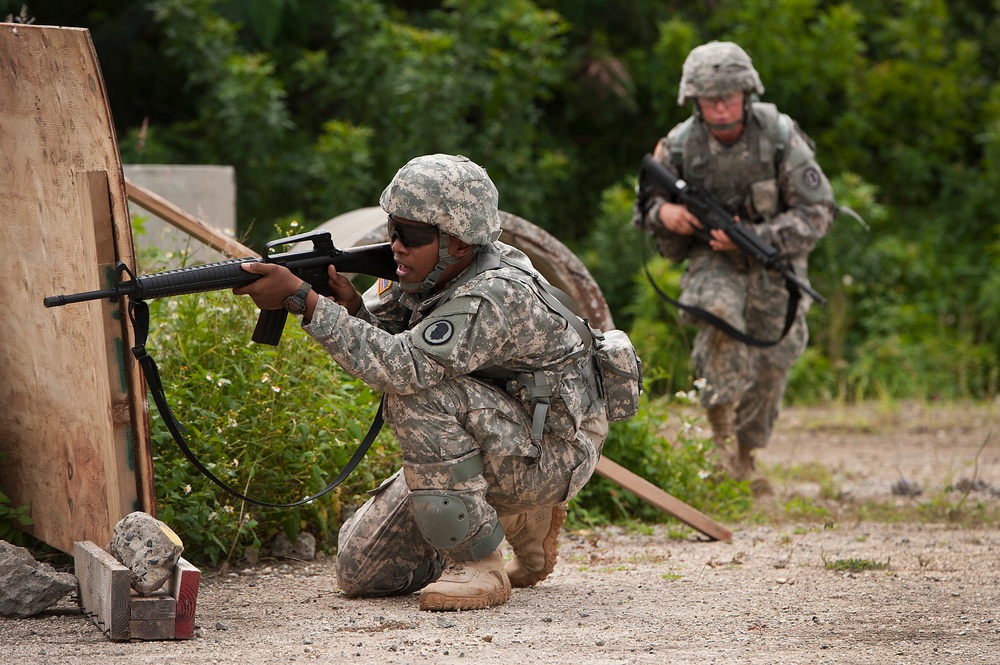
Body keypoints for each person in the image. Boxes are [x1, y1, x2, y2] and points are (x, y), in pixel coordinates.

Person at [234, 153, 608, 611]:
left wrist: (305, 301)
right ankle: (518, 516)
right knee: (364, 572)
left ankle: (479, 563)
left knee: (418, 393)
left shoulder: (495, 293)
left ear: (461, 243)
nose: (395, 246)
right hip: (504, 432)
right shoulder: (427, 274)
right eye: (392, 229)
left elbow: (402, 367)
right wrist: (351, 308)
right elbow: (392, 340)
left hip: (551, 450)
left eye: (411, 235)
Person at [632, 41, 836, 493]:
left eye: (728, 95)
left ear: (747, 93)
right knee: (718, 316)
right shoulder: (679, 144)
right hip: (711, 258)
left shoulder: (781, 137)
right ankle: (721, 442)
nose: (720, 106)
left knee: (774, 356)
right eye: (709, 98)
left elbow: (818, 213)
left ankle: (746, 454)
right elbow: (646, 202)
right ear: (695, 100)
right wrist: (662, 215)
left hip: (774, 259)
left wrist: (759, 237)